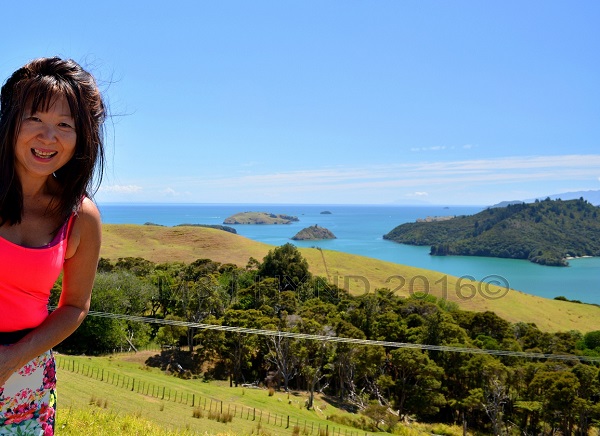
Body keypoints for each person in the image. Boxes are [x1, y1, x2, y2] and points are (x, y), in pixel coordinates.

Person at [0, 57, 105, 434]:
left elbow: (75, 306)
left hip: (26, 382)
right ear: (11, 122)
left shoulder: (81, 215)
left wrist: (13, 358)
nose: (49, 138)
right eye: (35, 120)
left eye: (64, 125)